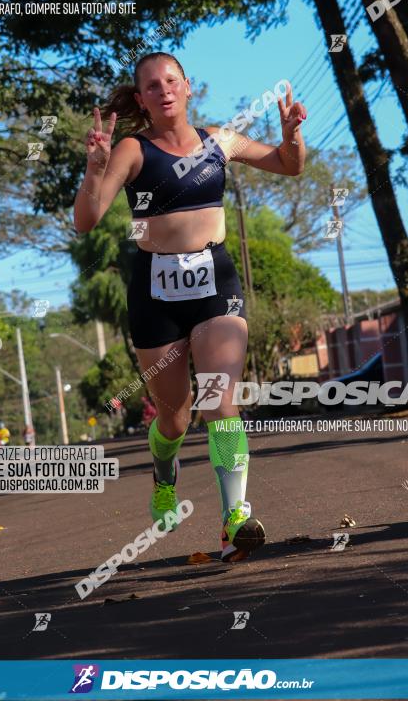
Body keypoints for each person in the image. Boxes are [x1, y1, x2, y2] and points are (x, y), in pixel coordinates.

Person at [74, 52, 306, 562]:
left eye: (171, 81)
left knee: (220, 399)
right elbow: (87, 219)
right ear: (142, 99)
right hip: (155, 296)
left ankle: (234, 519)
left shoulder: (219, 141)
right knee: (176, 419)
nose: (164, 91)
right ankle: (163, 475)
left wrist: (290, 134)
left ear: (188, 86)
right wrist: (94, 169)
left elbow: (289, 166)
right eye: (152, 87)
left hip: (215, 286)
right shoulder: (133, 150)